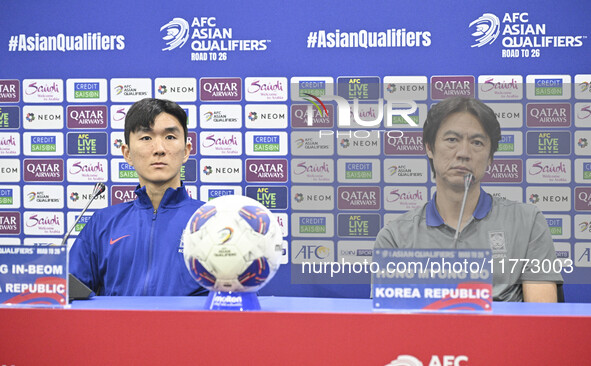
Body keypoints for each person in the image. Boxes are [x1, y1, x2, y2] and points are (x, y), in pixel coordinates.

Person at [375, 97, 563, 302]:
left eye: (477, 143)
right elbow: (393, 325)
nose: (464, 153)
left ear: (490, 157)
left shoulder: (527, 222)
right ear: (429, 147)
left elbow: (541, 321)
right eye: (452, 140)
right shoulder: (395, 238)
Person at [69, 98, 206, 296]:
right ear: (127, 154)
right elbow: (71, 294)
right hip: (117, 327)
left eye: (169, 137)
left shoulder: (212, 220)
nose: (159, 149)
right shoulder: (103, 222)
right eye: (146, 138)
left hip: (190, 328)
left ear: (186, 151)